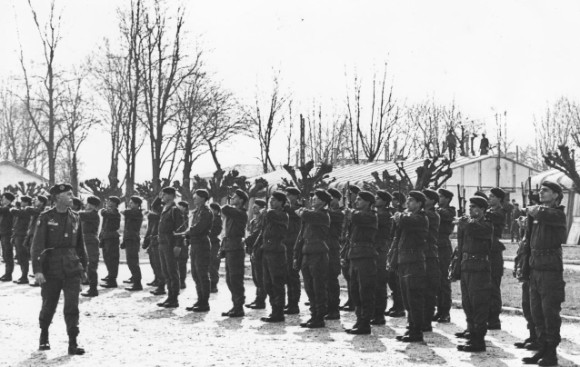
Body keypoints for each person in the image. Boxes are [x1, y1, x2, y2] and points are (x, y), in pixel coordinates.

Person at [31, 183, 88, 355]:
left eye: (71, 193)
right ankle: (44, 335)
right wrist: (38, 270)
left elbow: (80, 245)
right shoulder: (46, 217)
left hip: (72, 267)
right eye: (68, 194)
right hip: (51, 268)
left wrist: (84, 268)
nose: (72, 197)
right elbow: (37, 246)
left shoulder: (76, 217)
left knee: (72, 306)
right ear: (57, 198)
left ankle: (72, 342)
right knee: (49, 304)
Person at [521, 181, 568, 366]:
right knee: (536, 312)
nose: (541, 192)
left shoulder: (556, 214)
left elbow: (541, 212)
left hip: (550, 271)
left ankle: (551, 352)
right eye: (540, 190)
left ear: (556, 195)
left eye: (545, 190)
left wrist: (532, 209)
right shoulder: (538, 214)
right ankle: (541, 347)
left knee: (550, 312)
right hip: (536, 268)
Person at [390, 191, 428, 342]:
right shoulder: (408, 216)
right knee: (407, 298)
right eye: (408, 200)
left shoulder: (420, 218)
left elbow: (404, 220)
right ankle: (411, 328)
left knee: (414, 298)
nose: (408, 203)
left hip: (414, 260)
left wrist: (398, 215)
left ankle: (416, 331)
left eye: (411, 201)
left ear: (419, 203)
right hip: (404, 259)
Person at [456, 196, 493, 352]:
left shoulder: (487, 224)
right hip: (466, 267)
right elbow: (460, 245)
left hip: (479, 268)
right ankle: (472, 335)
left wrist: (465, 223)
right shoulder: (467, 224)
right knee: (468, 304)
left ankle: (479, 340)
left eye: (474, 207)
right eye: (470, 207)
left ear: (483, 209)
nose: (470, 209)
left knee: (478, 304)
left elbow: (474, 229)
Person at [294, 189, 331, 328]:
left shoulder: (322, 215)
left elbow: (304, 214)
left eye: (316, 198)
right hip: (307, 253)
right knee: (309, 287)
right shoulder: (312, 214)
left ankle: (319, 317)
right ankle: (313, 314)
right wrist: (296, 256)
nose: (313, 199)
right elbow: (302, 236)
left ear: (323, 201)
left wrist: (302, 210)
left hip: (318, 253)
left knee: (318, 287)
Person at [344, 190, 379, 335]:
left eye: (359, 199)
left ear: (368, 203)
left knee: (365, 291)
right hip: (355, 256)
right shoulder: (358, 215)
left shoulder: (370, 216)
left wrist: (349, 211)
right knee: (355, 291)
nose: (356, 201)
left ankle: (365, 322)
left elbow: (357, 217)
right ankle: (359, 320)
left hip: (366, 256)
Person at [259, 191, 289, 323]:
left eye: (275, 200)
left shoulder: (282, 215)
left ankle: (279, 312)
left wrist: (266, 212)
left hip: (277, 251)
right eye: (271, 199)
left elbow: (270, 214)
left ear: (282, 202)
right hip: (268, 250)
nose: (271, 202)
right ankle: (274, 309)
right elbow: (263, 231)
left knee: (277, 282)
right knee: (267, 283)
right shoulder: (270, 214)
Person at [220, 189, 249, 317]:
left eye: (235, 197)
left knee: (235, 278)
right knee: (230, 279)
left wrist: (228, 202)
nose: (232, 198)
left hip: (236, 248)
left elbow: (225, 208)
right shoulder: (234, 213)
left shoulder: (241, 213)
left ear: (241, 200)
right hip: (230, 247)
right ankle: (235, 305)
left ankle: (239, 307)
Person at [183, 189, 212, 312]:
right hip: (195, 244)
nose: (194, 198)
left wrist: (189, 231)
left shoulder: (206, 212)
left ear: (203, 198)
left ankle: (204, 302)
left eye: (196, 196)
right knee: (195, 274)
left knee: (202, 274)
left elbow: (200, 227)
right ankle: (200, 300)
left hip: (202, 244)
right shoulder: (197, 212)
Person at [156, 187, 184, 308]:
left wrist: (178, 245)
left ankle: (174, 298)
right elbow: (154, 206)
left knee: (172, 271)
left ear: (172, 195)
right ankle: (169, 296)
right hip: (162, 243)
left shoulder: (174, 210)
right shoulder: (164, 208)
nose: (162, 196)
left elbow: (180, 229)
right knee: (165, 271)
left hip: (170, 243)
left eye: (165, 194)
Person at [433, 188, 456, 323]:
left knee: (444, 281)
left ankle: (445, 311)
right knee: (435, 280)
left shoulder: (449, 211)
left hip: (443, 247)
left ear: (447, 199)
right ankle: (439, 310)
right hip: (435, 246)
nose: (439, 199)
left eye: (441, 197)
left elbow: (445, 214)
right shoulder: (437, 211)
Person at [370, 190, 392, 326]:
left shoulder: (383, 215)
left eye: (378, 198)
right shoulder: (377, 214)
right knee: (372, 283)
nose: (375, 200)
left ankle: (379, 314)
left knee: (379, 284)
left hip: (380, 250)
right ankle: (374, 313)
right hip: (374, 250)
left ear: (384, 201)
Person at [487, 187, 507, 330]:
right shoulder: (489, 212)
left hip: (494, 252)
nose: (490, 198)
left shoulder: (499, 213)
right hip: (486, 250)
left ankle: (494, 319)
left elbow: (491, 219)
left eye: (493, 196)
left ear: (499, 199)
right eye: (489, 196)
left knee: (493, 286)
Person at [339, 185, 360, 312]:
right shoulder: (347, 211)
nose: (348, 197)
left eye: (350, 194)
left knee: (354, 276)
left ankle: (355, 301)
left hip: (355, 244)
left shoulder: (357, 212)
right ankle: (351, 298)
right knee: (347, 273)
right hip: (346, 244)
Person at [422, 189, 441, 332]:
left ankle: (426, 321)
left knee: (428, 290)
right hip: (422, 255)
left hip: (428, 255)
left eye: (425, 198)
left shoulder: (431, 215)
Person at [385, 191, 406, 318]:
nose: (392, 202)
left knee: (397, 279)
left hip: (399, 246)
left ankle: (400, 306)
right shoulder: (394, 213)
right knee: (391, 278)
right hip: (393, 245)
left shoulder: (403, 214)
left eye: (395, 199)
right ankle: (396, 304)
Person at [244, 199, 267, 309]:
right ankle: (257, 298)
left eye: (256, 207)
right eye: (253, 207)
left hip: (260, 251)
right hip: (253, 250)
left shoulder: (262, 221)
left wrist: (246, 240)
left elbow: (257, 234)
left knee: (260, 276)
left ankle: (261, 300)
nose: (254, 209)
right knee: (255, 276)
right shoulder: (253, 221)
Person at [326, 188, 344, 320]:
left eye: (332, 198)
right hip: (325, 248)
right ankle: (327, 307)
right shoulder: (327, 212)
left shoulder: (338, 214)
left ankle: (334, 309)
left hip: (332, 248)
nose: (330, 200)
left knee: (331, 279)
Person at [283, 187, 302, 315]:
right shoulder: (287, 209)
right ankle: (290, 302)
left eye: (289, 195)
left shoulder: (299, 208)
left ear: (295, 196)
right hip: (286, 243)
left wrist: (285, 207)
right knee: (287, 275)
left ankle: (294, 304)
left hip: (294, 244)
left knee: (293, 276)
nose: (287, 197)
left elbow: (294, 213)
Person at [24, 195, 49, 287]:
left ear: (42, 202)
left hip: (37, 237)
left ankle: (40, 278)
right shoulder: (37, 210)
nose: (34, 201)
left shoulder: (43, 210)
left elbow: (29, 210)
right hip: (32, 235)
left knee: (38, 257)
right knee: (33, 257)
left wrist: (27, 206)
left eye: (37, 200)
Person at [79, 196, 101, 297]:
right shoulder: (89, 214)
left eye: (88, 204)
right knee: (85, 264)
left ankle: (93, 289)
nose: (86, 205)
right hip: (86, 240)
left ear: (93, 206)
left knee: (91, 266)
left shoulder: (92, 215)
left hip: (91, 241)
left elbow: (79, 214)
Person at [122, 196, 144, 291]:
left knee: (132, 262)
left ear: (137, 204)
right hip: (129, 239)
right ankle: (134, 279)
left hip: (133, 239)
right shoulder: (132, 213)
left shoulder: (137, 213)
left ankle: (137, 284)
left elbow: (125, 212)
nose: (129, 204)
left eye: (131, 203)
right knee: (131, 261)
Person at [10, 196, 34, 284]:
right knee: (20, 257)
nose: (21, 203)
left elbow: (14, 211)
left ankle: (24, 276)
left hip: (22, 236)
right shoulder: (22, 211)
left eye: (23, 202)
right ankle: (23, 276)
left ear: (27, 203)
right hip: (18, 235)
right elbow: (16, 225)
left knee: (23, 257)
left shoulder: (26, 211)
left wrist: (12, 208)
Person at [99, 196, 121, 288]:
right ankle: (110, 275)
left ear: (115, 204)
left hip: (111, 238)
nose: (108, 202)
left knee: (112, 259)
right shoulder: (109, 211)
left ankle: (112, 280)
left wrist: (104, 209)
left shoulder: (115, 212)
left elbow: (103, 213)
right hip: (106, 237)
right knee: (106, 257)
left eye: (110, 201)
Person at [144, 198, 164, 293]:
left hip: (157, 241)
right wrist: (146, 241)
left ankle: (161, 282)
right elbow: (149, 229)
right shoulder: (152, 217)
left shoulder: (160, 212)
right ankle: (156, 279)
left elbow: (154, 206)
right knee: (153, 262)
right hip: (152, 240)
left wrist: (159, 198)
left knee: (158, 263)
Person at [0, 192, 15, 281]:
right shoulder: (5, 208)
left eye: (4, 198)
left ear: (9, 200)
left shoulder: (9, 208)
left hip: (7, 234)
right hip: (3, 233)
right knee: (5, 255)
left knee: (8, 254)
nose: (2, 199)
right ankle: (7, 273)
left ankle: (8, 274)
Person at [209, 202, 223, 293]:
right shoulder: (210, 219)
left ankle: (214, 285)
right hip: (209, 243)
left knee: (213, 264)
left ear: (216, 211)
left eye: (211, 210)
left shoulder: (218, 220)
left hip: (214, 244)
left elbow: (215, 232)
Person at [177, 201, 190, 289]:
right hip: (179, 242)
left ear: (184, 208)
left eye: (180, 206)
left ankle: (182, 282)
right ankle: (180, 281)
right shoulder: (178, 217)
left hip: (183, 243)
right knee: (178, 263)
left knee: (182, 263)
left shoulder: (186, 218)